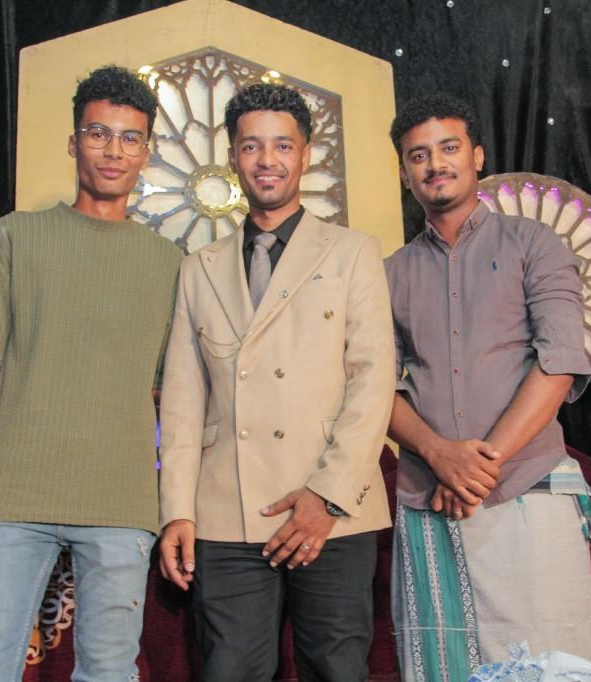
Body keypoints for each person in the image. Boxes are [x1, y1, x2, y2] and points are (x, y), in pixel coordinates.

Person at [0, 65, 182, 681]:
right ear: (74, 142)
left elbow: (174, 392)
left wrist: (178, 500)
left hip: (121, 499)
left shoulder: (169, 263)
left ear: (146, 151)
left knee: (109, 670)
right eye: (98, 134)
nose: (113, 151)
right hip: (14, 492)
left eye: (130, 138)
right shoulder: (15, 237)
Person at [157, 83, 396, 682]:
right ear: (233, 157)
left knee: (336, 668)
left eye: (282, 145)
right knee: (229, 669)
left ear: (305, 154)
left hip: (335, 507)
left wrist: (327, 496)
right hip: (226, 511)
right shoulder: (199, 267)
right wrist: (177, 511)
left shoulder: (352, 252)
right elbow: (184, 401)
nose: (267, 160)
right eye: (251, 146)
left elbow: (374, 381)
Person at [384, 93, 591, 679]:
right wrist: (439, 455)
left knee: (552, 662)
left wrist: (479, 467)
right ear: (404, 173)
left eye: (448, 148)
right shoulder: (390, 274)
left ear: (476, 156)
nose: (435, 164)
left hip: (529, 486)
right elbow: (376, 387)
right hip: (430, 498)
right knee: (444, 666)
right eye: (418, 155)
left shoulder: (535, 243)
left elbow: (559, 361)